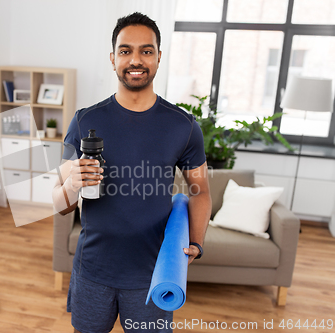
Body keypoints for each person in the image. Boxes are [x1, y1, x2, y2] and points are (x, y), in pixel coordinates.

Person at [52, 12, 212, 333]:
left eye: (146, 50)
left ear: (158, 57)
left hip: (153, 273)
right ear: (113, 59)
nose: (135, 59)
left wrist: (196, 241)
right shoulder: (84, 121)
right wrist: (73, 184)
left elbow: (201, 191)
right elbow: (59, 203)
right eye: (125, 51)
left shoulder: (183, 126)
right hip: (92, 270)